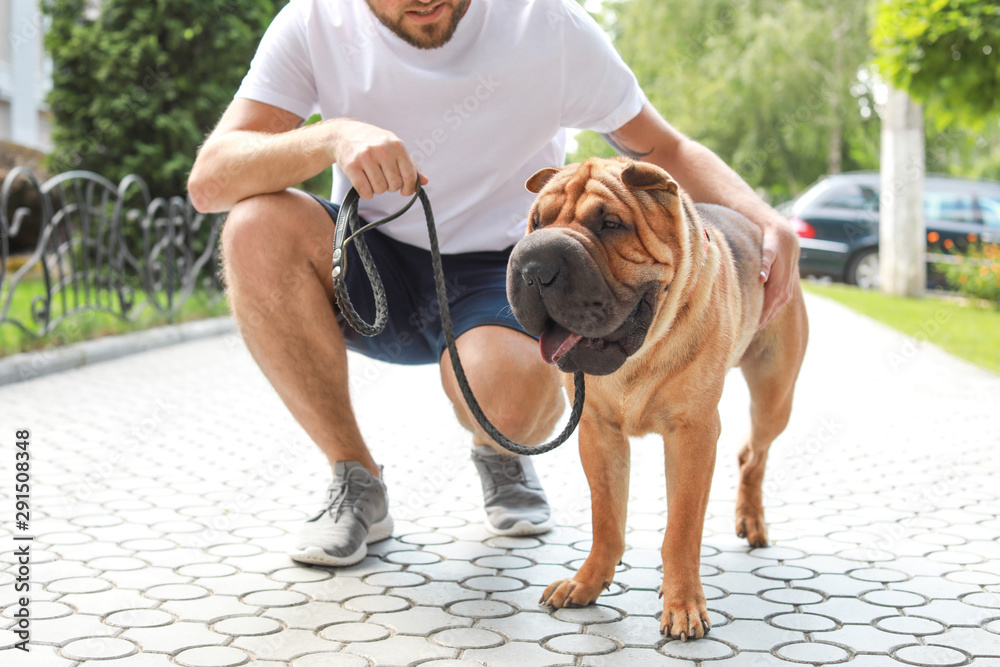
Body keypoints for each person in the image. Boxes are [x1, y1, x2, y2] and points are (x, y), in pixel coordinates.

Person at [187, 0, 800, 567]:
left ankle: (500, 454)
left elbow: (663, 146)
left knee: (508, 403)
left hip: (505, 271)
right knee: (253, 227)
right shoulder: (314, 23)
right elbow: (209, 180)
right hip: (373, 260)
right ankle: (354, 476)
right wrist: (329, 136)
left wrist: (767, 219)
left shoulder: (547, 24)